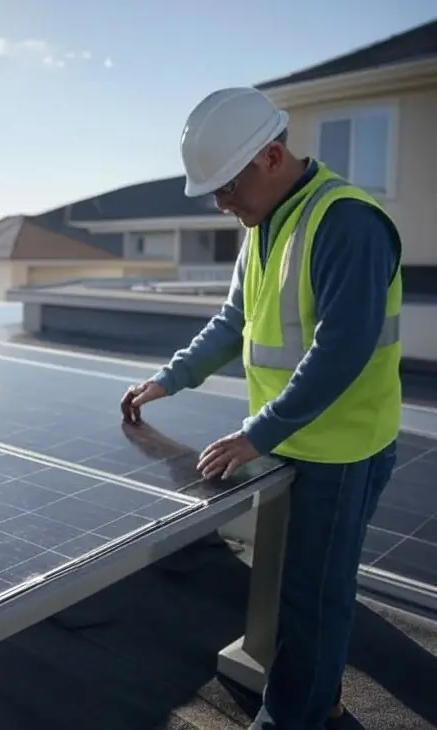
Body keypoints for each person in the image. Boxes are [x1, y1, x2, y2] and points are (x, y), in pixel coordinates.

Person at [119, 87, 403, 730]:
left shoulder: (347, 223)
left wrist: (255, 434)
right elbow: (233, 321)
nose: (221, 204)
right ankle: (313, 694)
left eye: (226, 187)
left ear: (272, 156)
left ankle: (297, 715)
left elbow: (341, 349)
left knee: (315, 597)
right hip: (291, 444)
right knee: (293, 587)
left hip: (341, 450)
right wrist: (168, 380)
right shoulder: (266, 222)